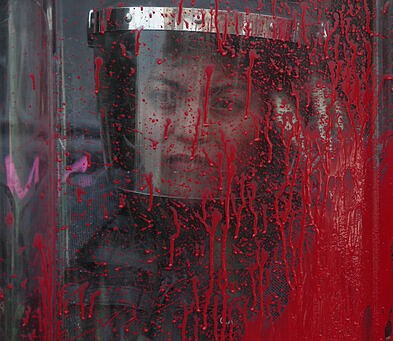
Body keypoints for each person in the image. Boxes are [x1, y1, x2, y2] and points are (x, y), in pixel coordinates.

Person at [64, 3, 322, 340]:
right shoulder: (76, 226)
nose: (191, 129)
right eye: (163, 97)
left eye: (226, 103)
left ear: (272, 120)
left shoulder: (305, 239)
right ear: (127, 107)